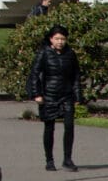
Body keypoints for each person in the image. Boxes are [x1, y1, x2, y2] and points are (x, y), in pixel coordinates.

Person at [27, 25, 83, 171]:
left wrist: (78, 95)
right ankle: (49, 160)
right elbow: (34, 74)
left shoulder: (70, 54)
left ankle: (67, 159)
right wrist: (37, 94)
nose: (60, 42)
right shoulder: (43, 53)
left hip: (66, 94)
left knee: (69, 126)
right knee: (49, 128)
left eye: (63, 39)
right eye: (57, 38)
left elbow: (76, 76)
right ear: (51, 39)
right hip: (49, 95)